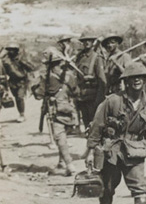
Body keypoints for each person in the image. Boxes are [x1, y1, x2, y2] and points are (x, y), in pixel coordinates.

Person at [86, 62, 146, 204]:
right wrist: (90, 150)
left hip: (134, 152)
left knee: (140, 189)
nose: (137, 80)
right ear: (126, 81)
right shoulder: (112, 101)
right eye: (133, 78)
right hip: (112, 151)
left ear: (145, 80)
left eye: (140, 77)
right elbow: (97, 125)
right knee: (107, 188)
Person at [37, 48, 78, 176]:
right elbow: (76, 92)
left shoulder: (46, 78)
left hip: (55, 110)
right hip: (70, 109)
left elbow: (39, 94)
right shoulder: (69, 75)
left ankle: (69, 164)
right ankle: (61, 162)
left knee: (60, 137)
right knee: (64, 136)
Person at [74, 32, 108, 130]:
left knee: (95, 124)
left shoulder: (97, 58)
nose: (87, 43)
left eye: (89, 40)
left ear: (93, 42)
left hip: (93, 96)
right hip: (82, 95)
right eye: (84, 41)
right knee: (86, 122)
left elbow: (102, 81)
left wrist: (99, 100)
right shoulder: (79, 57)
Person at [1, 42, 35, 122]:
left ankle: (22, 114)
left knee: (20, 97)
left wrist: (23, 63)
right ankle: (21, 113)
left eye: (12, 50)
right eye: (9, 50)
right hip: (12, 81)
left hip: (22, 81)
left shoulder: (21, 58)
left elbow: (31, 67)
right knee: (16, 98)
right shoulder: (5, 60)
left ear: (16, 50)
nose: (10, 51)